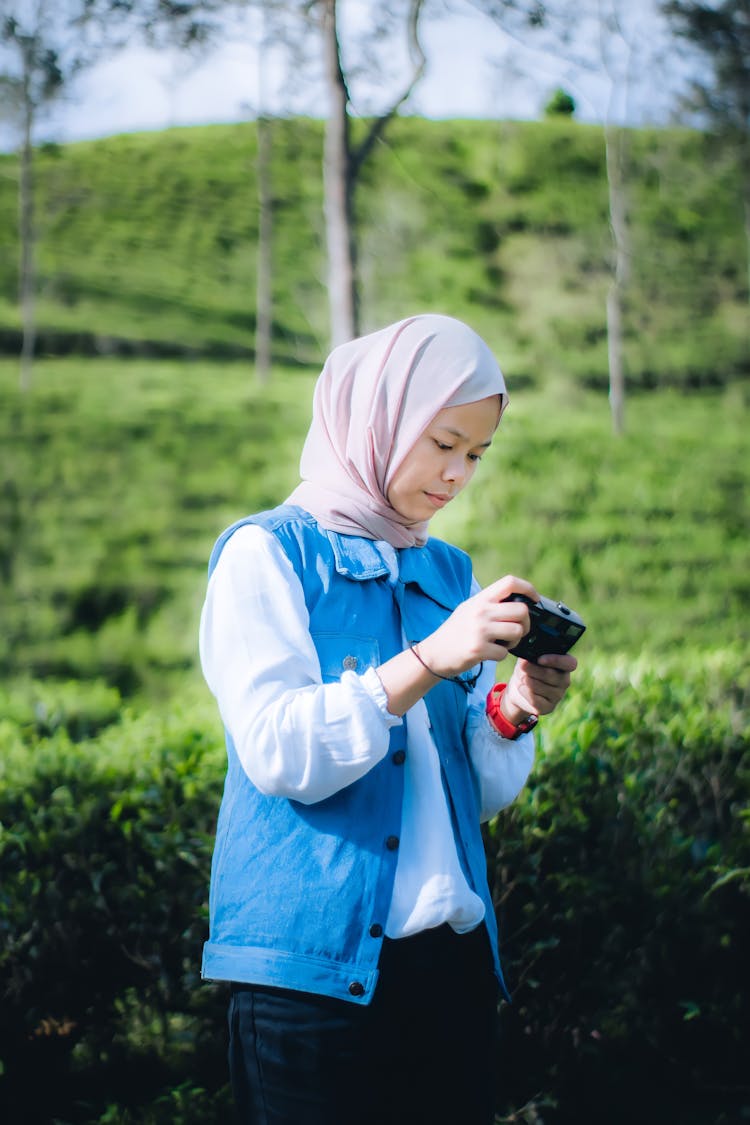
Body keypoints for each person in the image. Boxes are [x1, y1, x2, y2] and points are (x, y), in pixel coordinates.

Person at [198, 314, 578, 1125]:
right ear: (379, 417)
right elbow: (278, 752)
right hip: (312, 981)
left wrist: (513, 710)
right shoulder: (265, 556)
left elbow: (463, 797)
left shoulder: (446, 570)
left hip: (451, 971)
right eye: (442, 442)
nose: (457, 475)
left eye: (476, 454)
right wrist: (429, 660)